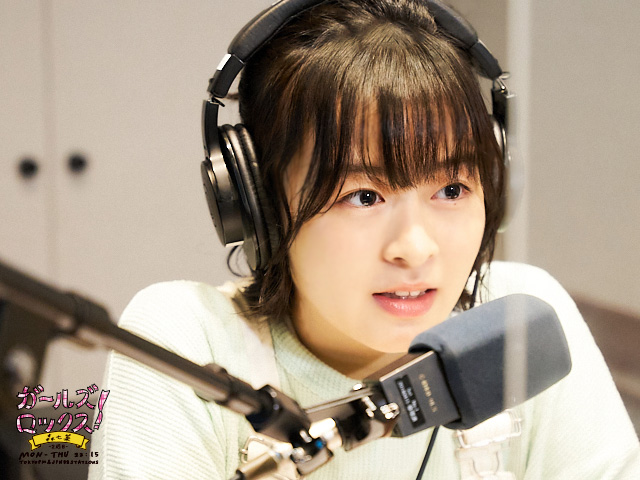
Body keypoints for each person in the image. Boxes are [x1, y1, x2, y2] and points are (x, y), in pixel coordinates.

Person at [89, 0, 640, 478]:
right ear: (257, 204)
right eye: (363, 196)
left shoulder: (520, 324)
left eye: (451, 189)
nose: (415, 248)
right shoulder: (189, 348)